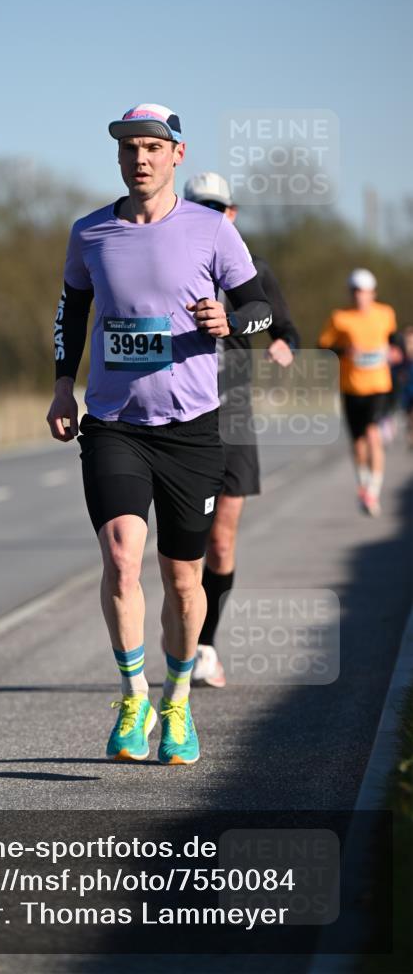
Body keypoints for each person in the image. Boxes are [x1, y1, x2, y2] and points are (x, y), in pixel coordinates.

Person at [46, 104, 272, 765]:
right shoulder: (89, 233)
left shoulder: (209, 231)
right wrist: (63, 383)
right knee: (120, 558)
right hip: (115, 424)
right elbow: (71, 310)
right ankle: (130, 695)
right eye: (127, 148)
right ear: (117, 158)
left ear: (177, 154)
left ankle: (175, 702)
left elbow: (258, 310)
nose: (138, 158)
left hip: (193, 429)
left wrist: (230, 320)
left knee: (181, 579)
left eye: (151, 147)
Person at [183, 172, 300, 688]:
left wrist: (283, 344)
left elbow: (284, 325)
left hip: (232, 417)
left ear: (232, 212)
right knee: (185, 546)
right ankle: (181, 646)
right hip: (184, 414)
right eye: (201, 206)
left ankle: (205, 644)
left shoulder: (253, 269)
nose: (212, 214)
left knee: (222, 543)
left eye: (219, 207)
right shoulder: (174, 262)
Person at [318, 269, 399, 517]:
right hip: (352, 387)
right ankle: (364, 485)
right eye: (355, 291)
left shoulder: (386, 314)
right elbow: (322, 347)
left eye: (363, 292)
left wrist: (396, 352)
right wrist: (344, 351)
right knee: (358, 442)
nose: (359, 297)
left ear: (372, 293)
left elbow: (394, 341)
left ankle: (373, 489)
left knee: (373, 434)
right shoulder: (340, 318)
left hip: (379, 385)